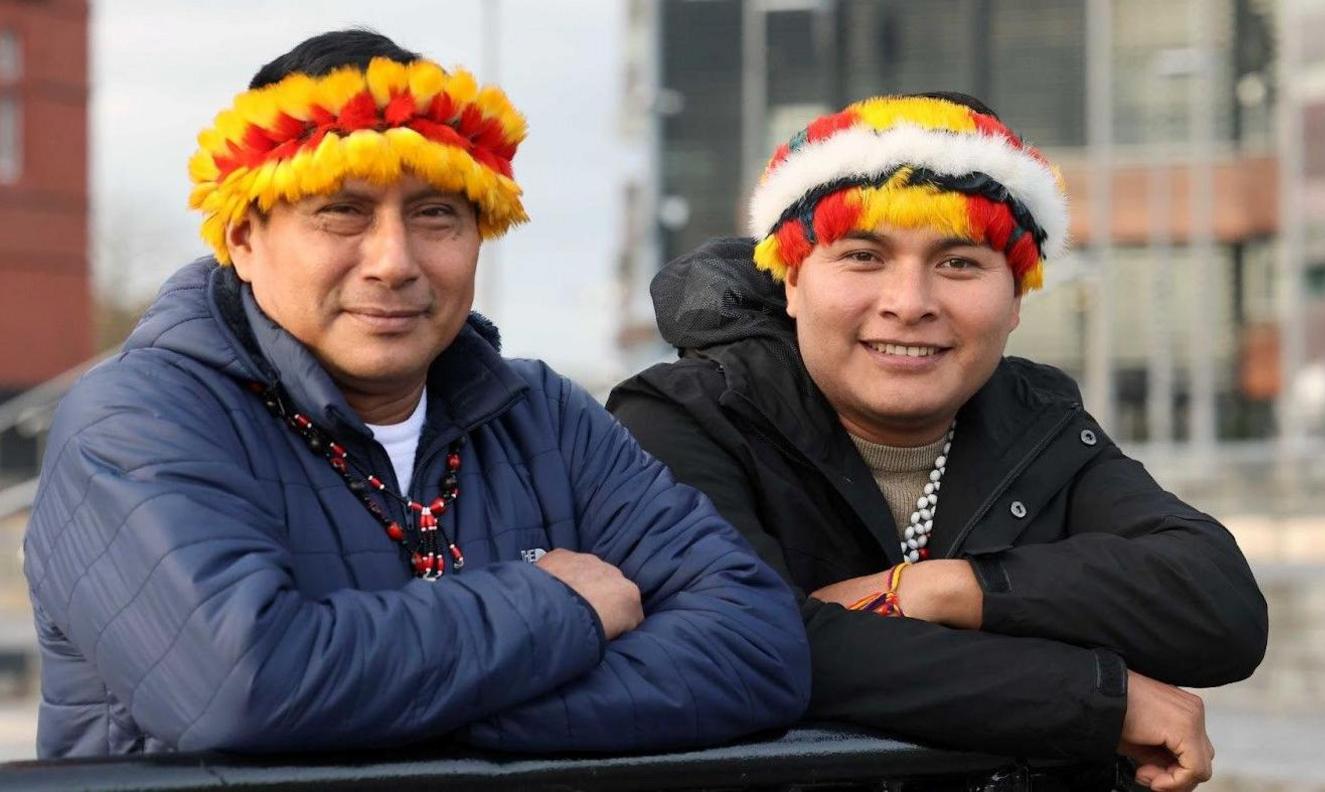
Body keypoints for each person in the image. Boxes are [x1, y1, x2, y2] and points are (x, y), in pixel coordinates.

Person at [23, 30, 809, 759]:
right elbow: (244, 685)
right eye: (343, 213)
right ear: (243, 239)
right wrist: (556, 608)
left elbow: (758, 647)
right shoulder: (137, 421)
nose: (394, 261)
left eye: (437, 214)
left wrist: (394, 712)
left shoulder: (544, 416)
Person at [608, 93, 1268, 792]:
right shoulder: (683, 419)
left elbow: (1219, 607)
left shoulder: (1035, 423)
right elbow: (756, 641)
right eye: (864, 256)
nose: (910, 301)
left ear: (1015, 299)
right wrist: (1100, 698)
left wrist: (943, 590)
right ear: (792, 281)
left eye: (958, 264)